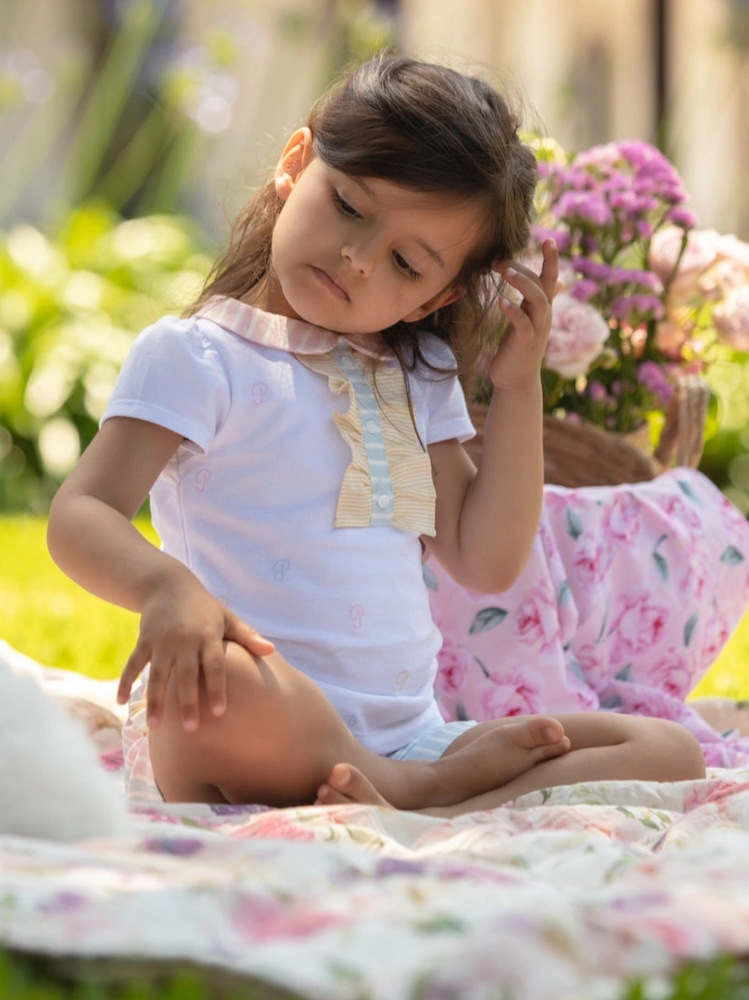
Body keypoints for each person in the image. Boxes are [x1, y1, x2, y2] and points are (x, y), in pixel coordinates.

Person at [47, 55, 706, 812]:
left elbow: (486, 561)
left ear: (442, 294)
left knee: (666, 750)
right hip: (254, 716)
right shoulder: (200, 356)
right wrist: (168, 588)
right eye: (350, 206)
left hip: (412, 735)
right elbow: (80, 514)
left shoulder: (413, 375)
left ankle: (425, 794)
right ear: (296, 165)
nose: (356, 259)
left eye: (404, 261)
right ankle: (418, 794)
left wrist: (518, 386)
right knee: (219, 678)